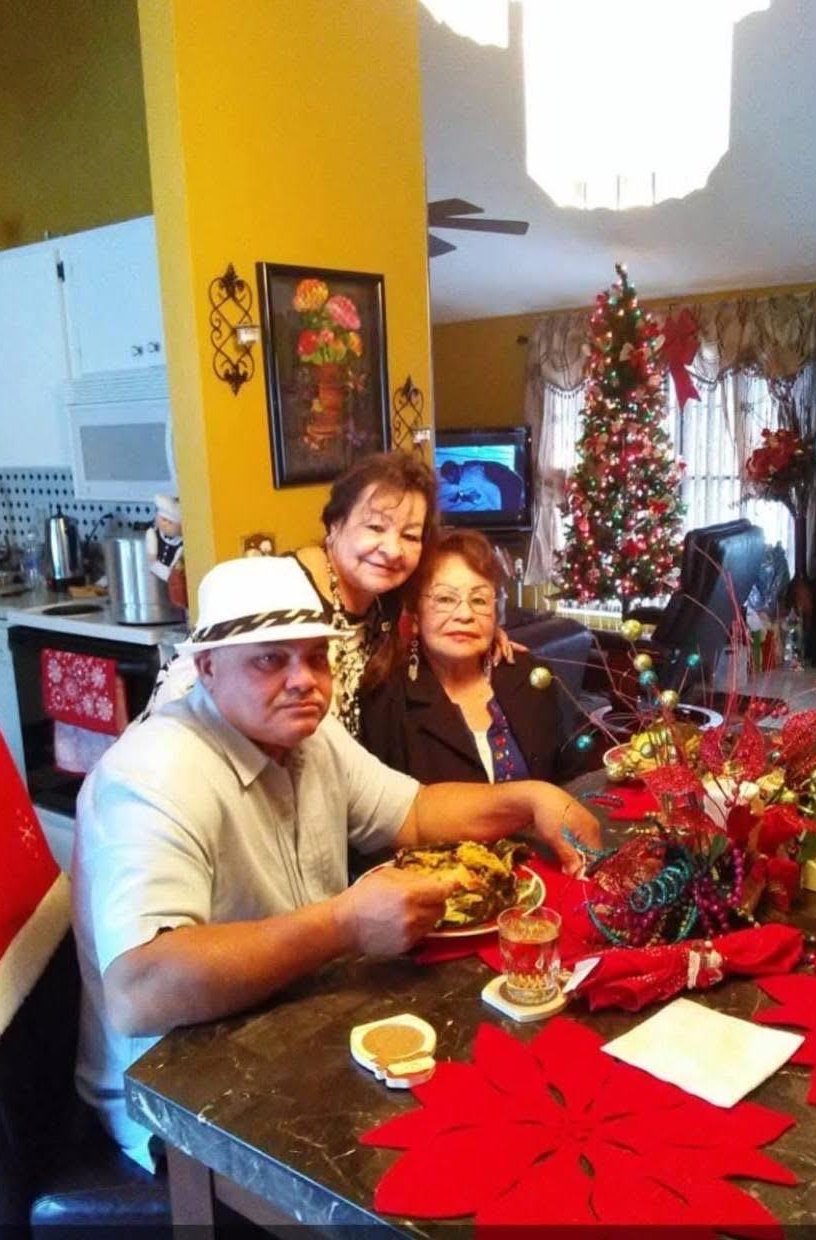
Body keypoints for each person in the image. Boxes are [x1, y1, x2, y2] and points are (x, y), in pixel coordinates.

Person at [71, 555, 601, 1171]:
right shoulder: (152, 774)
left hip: (284, 1029)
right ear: (207, 669)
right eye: (271, 658)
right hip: (178, 1113)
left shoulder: (308, 737)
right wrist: (343, 925)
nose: (304, 680)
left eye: (316, 657)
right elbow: (140, 992)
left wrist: (527, 797)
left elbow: (416, 811)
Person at [139, 450, 520, 736]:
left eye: (409, 535)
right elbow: (192, 686)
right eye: (374, 527)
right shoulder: (280, 592)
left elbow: (433, 621)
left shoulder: (386, 602)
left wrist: (480, 637)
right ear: (334, 525)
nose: (391, 549)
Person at [360, 529, 588, 784]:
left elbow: (570, 776)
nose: (465, 614)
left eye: (479, 600)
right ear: (414, 616)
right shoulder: (388, 700)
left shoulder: (530, 675)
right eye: (445, 598)